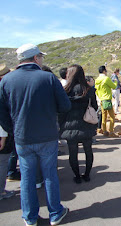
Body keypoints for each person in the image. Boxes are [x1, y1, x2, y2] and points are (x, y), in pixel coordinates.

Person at [0, 43, 70, 226]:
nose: (42, 60)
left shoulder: (6, 80)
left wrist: (14, 128)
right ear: (35, 58)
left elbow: (1, 113)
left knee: (27, 178)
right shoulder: (48, 78)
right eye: (41, 57)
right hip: (47, 135)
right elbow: (65, 106)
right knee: (49, 175)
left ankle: (30, 217)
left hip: (22, 137)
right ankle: (55, 213)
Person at [59, 64, 97, 184]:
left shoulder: (65, 91)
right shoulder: (89, 90)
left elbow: (61, 110)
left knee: (73, 152)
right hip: (86, 124)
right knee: (88, 150)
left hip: (70, 125)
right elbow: (95, 107)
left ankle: (77, 176)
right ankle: (87, 175)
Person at [0, 64, 21, 182]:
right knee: (9, 153)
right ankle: (11, 172)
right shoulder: (3, 89)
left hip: (7, 126)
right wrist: (5, 134)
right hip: (6, 128)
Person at [95, 66, 118, 137]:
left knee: (104, 116)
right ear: (104, 71)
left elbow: (96, 90)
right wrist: (116, 82)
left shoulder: (97, 80)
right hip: (107, 100)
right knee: (112, 117)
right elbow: (114, 86)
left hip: (101, 100)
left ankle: (104, 130)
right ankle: (111, 131)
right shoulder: (106, 79)